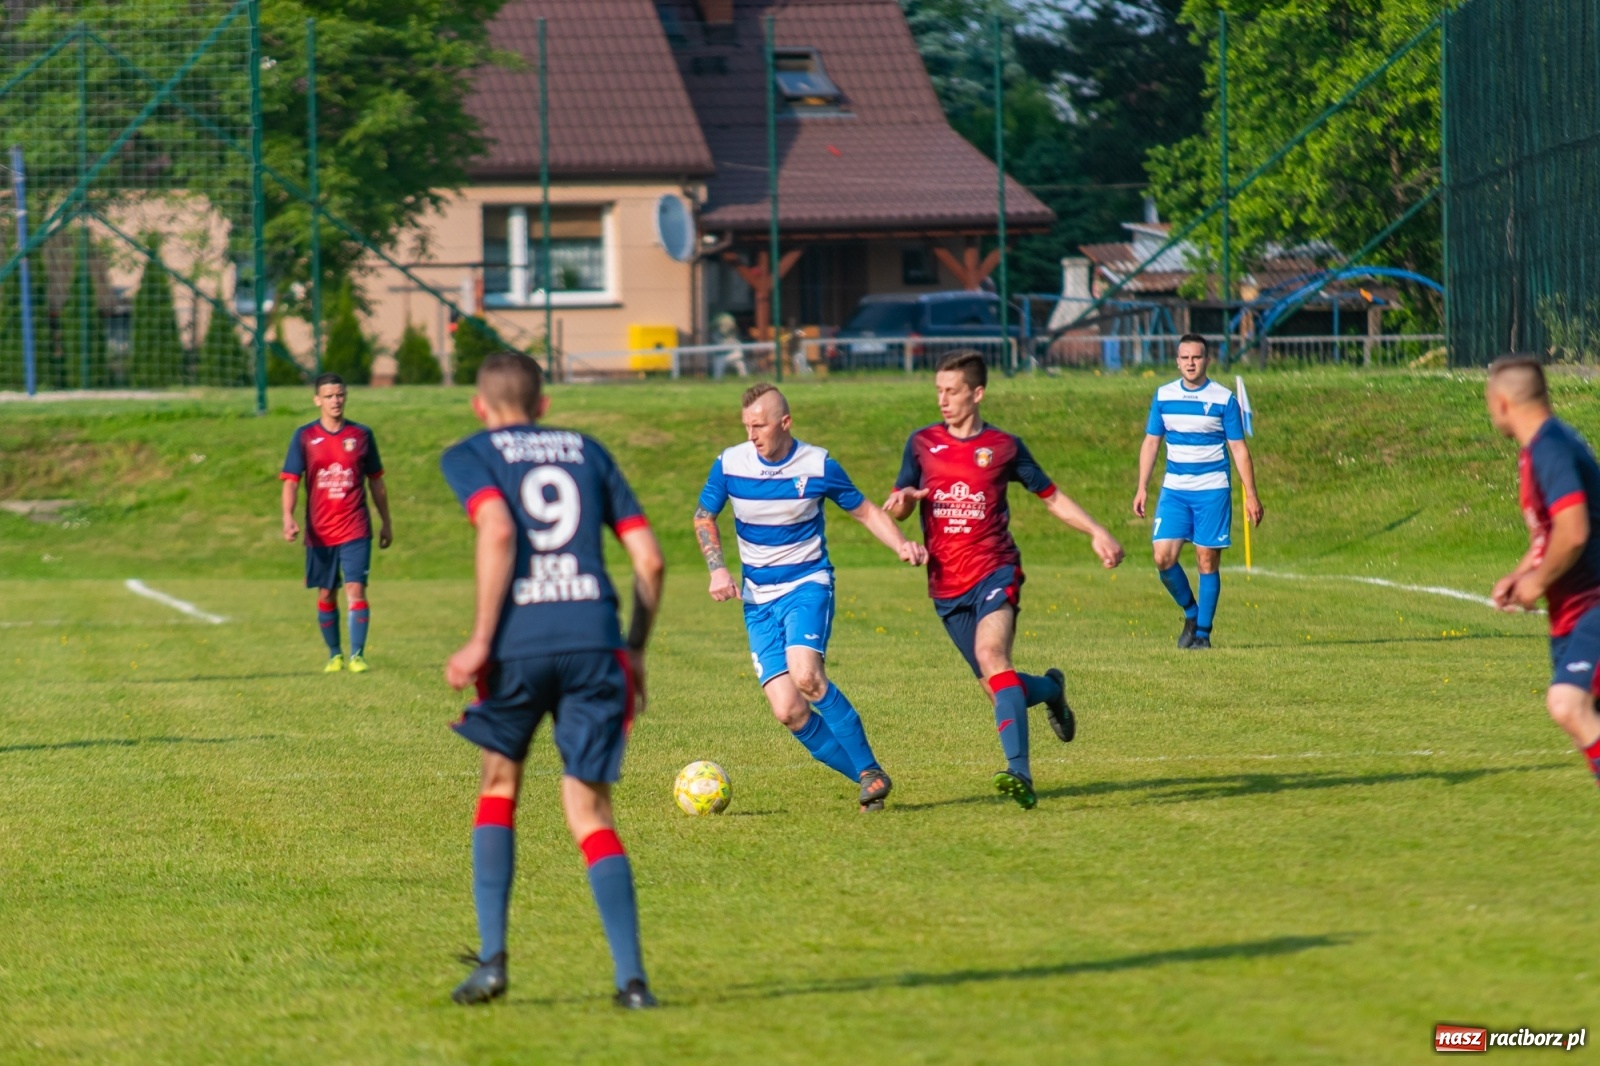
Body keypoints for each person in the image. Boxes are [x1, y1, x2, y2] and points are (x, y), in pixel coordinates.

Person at [439, 352, 666, 1009]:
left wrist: (482, 639)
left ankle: (492, 962)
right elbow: (649, 561)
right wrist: (636, 649)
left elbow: (499, 527)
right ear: (543, 404)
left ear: (480, 405)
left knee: (500, 782)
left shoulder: (471, 454)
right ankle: (632, 982)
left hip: (518, 647)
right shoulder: (588, 452)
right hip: (597, 646)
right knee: (590, 811)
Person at [885, 350, 1124, 810]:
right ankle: (1052, 689)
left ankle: (1021, 772)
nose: (943, 399)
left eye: (952, 391)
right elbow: (900, 499)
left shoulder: (1004, 446)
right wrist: (903, 504)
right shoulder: (921, 443)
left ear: (977, 394)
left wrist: (1097, 530)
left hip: (995, 569)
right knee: (997, 685)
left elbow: (1051, 497)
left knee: (992, 654)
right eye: (938, 390)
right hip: (945, 584)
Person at [694, 383, 928, 812]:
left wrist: (900, 545)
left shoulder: (817, 465)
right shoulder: (730, 463)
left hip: (807, 584)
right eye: (747, 426)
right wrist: (717, 568)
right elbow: (703, 515)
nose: (752, 435)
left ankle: (870, 772)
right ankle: (867, 776)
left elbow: (865, 511)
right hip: (757, 600)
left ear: (785, 423)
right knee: (788, 710)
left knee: (807, 676)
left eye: (760, 425)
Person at [1487, 355, 1600, 787]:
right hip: (1572, 615)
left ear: (1501, 403)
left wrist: (1536, 582)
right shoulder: (1542, 448)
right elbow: (1549, 534)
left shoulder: (1550, 448)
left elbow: (1573, 532)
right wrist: (1520, 575)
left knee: (1567, 704)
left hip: (1593, 605)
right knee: (1581, 720)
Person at [1132, 334, 1263, 649]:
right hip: (1175, 491)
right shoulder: (1163, 396)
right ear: (1177, 361)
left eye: (1197, 357)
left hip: (1212, 491)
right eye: (1185, 357)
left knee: (1207, 561)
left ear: (1207, 360)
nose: (1191, 363)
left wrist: (1251, 493)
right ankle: (1191, 612)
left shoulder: (1223, 399)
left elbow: (1239, 448)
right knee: (1163, 557)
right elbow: (1151, 442)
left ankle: (1202, 634)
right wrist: (1141, 487)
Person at [280, 372, 392, 672]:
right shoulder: (304, 437)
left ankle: (357, 655)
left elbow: (377, 482)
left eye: (340, 395)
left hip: (356, 528)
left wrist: (386, 522)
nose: (335, 401)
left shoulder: (361, 435)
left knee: (356, 589)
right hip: (319, 532)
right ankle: (334, 654)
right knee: (326, 593)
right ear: (317, 400)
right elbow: (291, 481)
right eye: (329, 396)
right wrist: (288, 517)